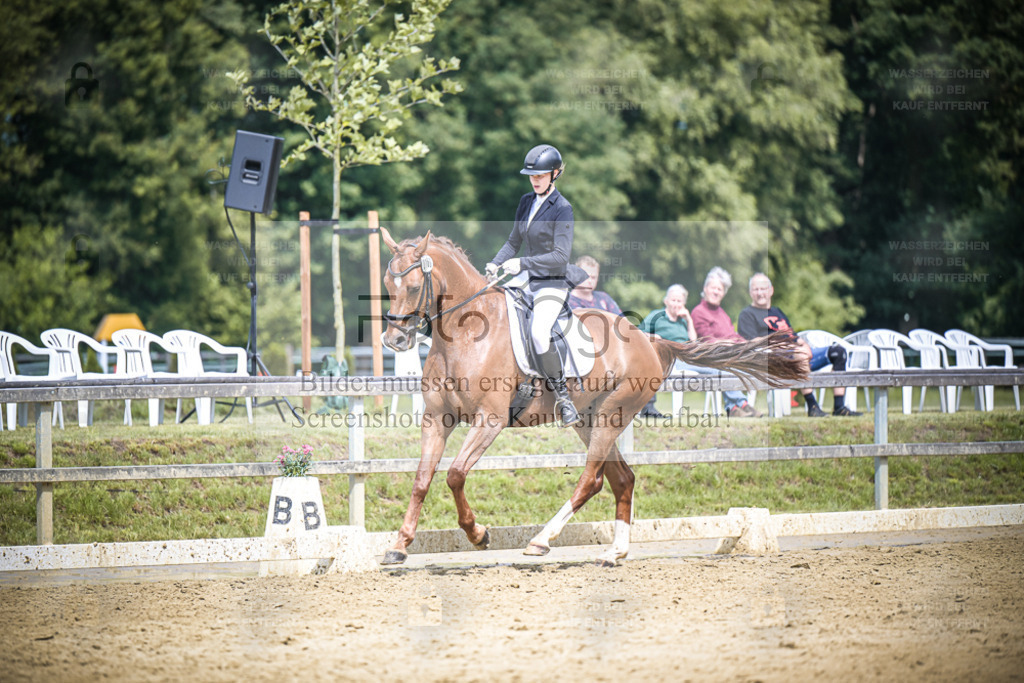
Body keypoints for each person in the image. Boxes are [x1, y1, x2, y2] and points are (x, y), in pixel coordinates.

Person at [486, 144, 581, 428]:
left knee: (539, 333)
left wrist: (523, 264)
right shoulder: (527, 201)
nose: (535, 180)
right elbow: (514, 241)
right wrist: (496, 262)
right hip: (525, 279)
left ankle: (564, 399)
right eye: (531, 176)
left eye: (540, 175)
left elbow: (561, 256)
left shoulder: (563, 209)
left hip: (551, 283)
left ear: (554, 174)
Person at [737, 273, 862, 417]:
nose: (760, 293)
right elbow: (751, 343)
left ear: (771, 290)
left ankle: (839, 407)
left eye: (763, 289)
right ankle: (812, 407)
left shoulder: (777, 312)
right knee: (800, 355)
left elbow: (794, 336)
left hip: (795, 353)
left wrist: (805, 346)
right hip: (774, 361)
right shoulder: (746, 314)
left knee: (838, 352)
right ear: (750, 292)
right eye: (755, 289)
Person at [689, 266, 760, 418]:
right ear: (705, 289)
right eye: (713, 288)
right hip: (709, 357)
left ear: (724, 293)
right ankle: (742, 403)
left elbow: (733, 335)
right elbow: (706, 340)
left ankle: (732, 408)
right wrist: (729, 345)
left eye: (720, 289)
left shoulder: (723, 314)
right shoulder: (698, 312)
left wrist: (746, 345)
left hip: (729, 355)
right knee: (726, 363)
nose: (716, 292)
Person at [637, 284, 696, 417]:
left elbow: (693, 342)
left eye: (679, 301)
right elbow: (639, 333)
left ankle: (738, 404)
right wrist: (654, 337)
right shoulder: (656, 316)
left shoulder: (683, 321)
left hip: (688, 357)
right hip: (669, 359)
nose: (676, 304)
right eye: (673, 300)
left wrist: (689, 319)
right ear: (666, 301)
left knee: (715, 369)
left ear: (684, 303)